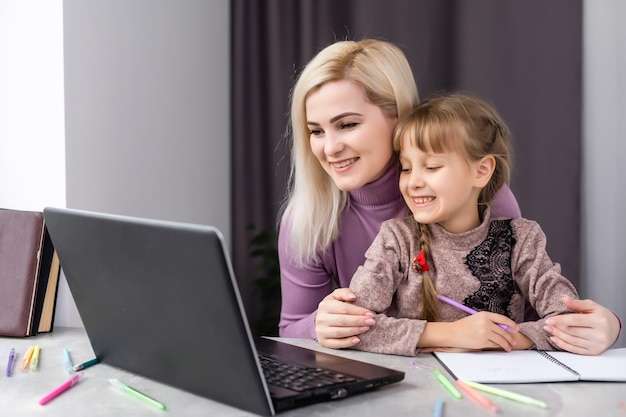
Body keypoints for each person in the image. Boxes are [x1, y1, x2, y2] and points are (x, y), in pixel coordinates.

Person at [277, 38, 620, 355]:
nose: (330, 147)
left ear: (398, 117)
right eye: (316, 131)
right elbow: (297, 328)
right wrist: (324, 323)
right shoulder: (312, 219)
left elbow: (532, 308)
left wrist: (605, 326)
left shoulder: (483, 197)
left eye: (348, 125)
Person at [347, 93, 620, 356]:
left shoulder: (521, 239)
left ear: (481, 171)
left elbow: (568, 321)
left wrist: (513, 338)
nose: (413, 181)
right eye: (406, 168)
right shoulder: (396, 239)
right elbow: (354, 326)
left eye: (431, 167)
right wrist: (451, 335)